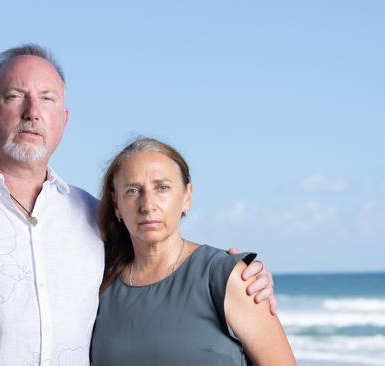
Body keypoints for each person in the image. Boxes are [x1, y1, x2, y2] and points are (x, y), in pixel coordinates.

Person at [0, 44, 276, 365]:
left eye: (48, 99)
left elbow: (157, 267)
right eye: (15, 96)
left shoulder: (91, 215)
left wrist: (238, 276)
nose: (33, 111)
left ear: (64, 119)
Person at [90, 137, 295, 365]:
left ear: (187, 196)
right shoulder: (99, 284)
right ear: (116, 204)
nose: (148, 205)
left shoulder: (227, 277)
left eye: (162, 188)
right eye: (133, 190)